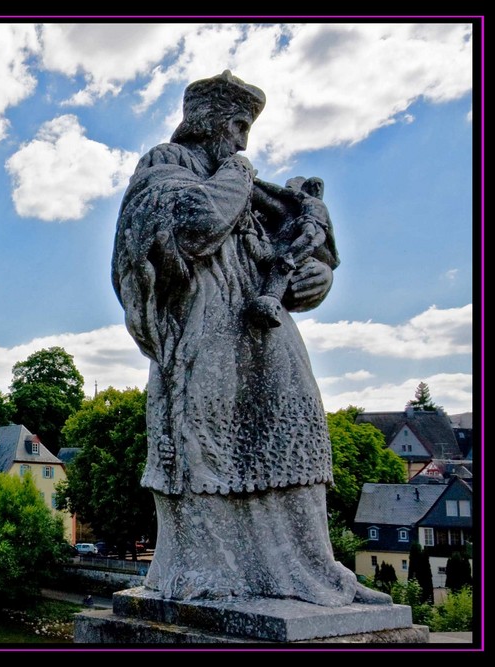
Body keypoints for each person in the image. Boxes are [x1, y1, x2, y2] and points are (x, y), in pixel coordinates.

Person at [111, 71, 388, 607]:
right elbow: (197, 225)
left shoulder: (251, 191)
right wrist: (238, 170)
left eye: (247, 133)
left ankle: (313, 572)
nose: (242, 143)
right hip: (204, 341)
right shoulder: (165, 168)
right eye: (237, 128)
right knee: (208, 451)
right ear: (209, 122)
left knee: (296, 434)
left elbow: (283, 257)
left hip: (267, 336)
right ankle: (205, 574)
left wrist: (316, 281)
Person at [248, 175, 339, 329]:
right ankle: (271, 297)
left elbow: (329, 257)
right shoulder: (294, 202)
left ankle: (272, 298)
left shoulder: (312, 205)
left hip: (288, 244)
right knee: (289, 257)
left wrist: (324, 275)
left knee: (290, 258)